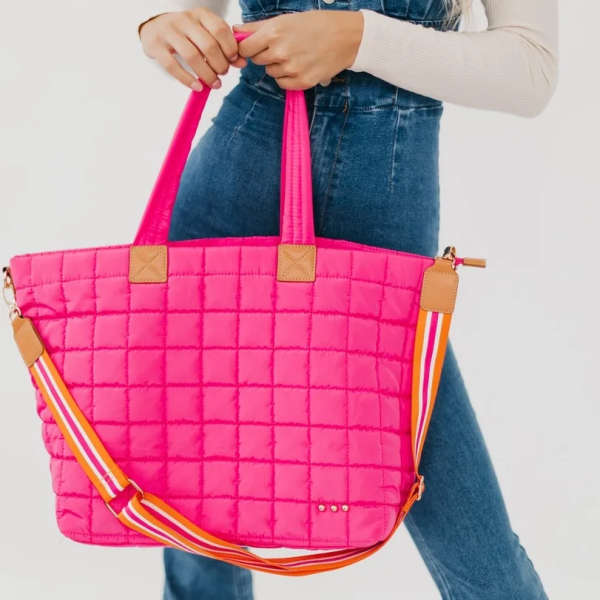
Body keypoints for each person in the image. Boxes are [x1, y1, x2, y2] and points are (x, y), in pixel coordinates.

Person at [137, 1, 558, 598]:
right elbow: (191, 16)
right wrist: (164, 28)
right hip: (234, 181)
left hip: (382, 207)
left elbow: (532, 71)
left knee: (482, 562)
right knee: (196, 521)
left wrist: (360, 39)